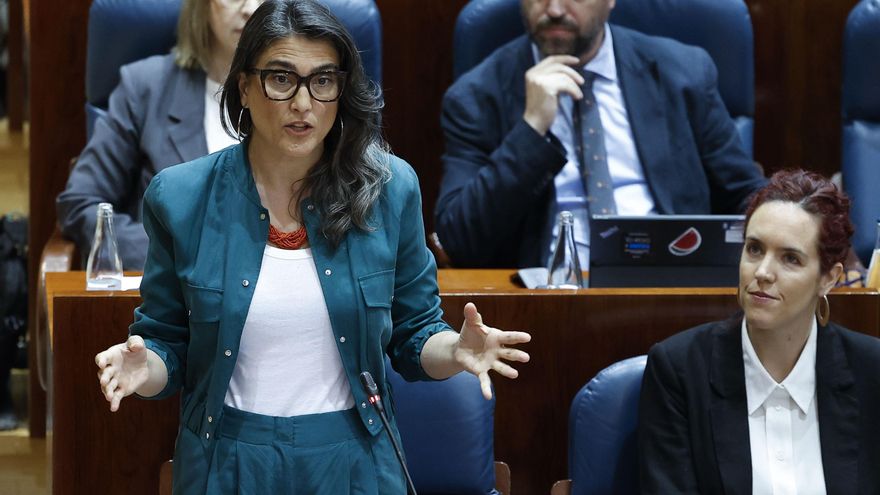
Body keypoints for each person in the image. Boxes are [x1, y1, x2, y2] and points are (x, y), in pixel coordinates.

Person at [94, 1, 531, 493]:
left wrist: (455, 349)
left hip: (355, 459)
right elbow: (166, 347)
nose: (303, 103)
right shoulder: (181, 196)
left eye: (322, 81)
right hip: (226, 457)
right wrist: (143, 368)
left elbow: (414, 337)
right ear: (244, 86)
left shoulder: (391, 188)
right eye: (281, 79)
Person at [434, 0, 767, 268]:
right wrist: (531, 129)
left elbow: (747, 198)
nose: (554, 10)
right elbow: (459, 240)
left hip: (672, 281)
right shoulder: (476, 96)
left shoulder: (683, 72)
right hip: (548, 301)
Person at [638, 169, 880, 493]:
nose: (763, 272)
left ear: (828, 278)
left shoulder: (872, 371)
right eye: (754, 249)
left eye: (790, 258)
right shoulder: (679, 370)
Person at [57, 0, 262, 269]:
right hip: (173, 299)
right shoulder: (146, 87)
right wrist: (171, 257)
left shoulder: (300, 97)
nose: (251, 8)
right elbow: (81, 203)